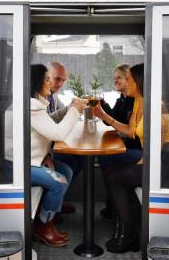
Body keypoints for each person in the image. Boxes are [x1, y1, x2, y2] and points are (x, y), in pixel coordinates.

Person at [94, 63, 169, 253]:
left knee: (115, 177)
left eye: (128, 79)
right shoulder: (139, 100)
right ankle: (123, 223)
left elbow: (161, 143)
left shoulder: (156, 105)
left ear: (139, 81)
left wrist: (143, 161)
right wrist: (104, 114)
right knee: (111, 170)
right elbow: (131, 132)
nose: (126, 83)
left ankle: (128, 235)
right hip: (149, 158)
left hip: (162, 163)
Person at [30, 64, 88, 247]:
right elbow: (57, 134)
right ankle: (43, 225)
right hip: (20, 165)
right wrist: (75, 110)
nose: (50, 83)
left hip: (35, 159)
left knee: (67, 171)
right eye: (47, 79)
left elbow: (48, 126)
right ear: (37, 81)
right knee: (59, 181)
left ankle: (52, 213)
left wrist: (46, 155)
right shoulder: (31, 106)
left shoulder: (36, 103)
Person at [97, 63, 138, 219]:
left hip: (137, 149)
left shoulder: (135, 102)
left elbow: (128, 130)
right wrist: (104, 105)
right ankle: (113, 204)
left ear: (130, 79)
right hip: (126, 144)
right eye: (114, 78)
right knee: (105, 158)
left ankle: (114, 205)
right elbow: (112, 120)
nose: (115, 81)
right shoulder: (122, 99)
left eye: (119, 78)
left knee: (107, 158)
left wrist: (104, 114)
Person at [47, 61, 83, 214]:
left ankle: (59, 201)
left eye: (63, 80)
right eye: (57, 79)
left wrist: (72, 108)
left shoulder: (53, 97)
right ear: (46, 77)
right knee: (66, 169)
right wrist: (71, 109)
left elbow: (62, 112)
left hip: (48, 147)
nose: (61, 83)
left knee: (78, 160)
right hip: (41, 152)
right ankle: (50, 214)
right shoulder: (36, 99)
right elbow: (48, 122)